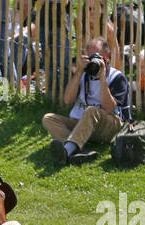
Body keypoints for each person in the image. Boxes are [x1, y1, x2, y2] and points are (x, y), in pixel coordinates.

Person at [43, 35, 131, 165]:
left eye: (97, 57)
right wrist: (79, 72)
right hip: (82, 124)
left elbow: (109, 108)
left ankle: (67, 151)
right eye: (91, 58)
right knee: (49, 118)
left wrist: (102, 80)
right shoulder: (83, 75)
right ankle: (80, 150)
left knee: (91, 111)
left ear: (107, 56)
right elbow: (68, 99)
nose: (93, 62)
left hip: (108, 125)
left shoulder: (116, 77)